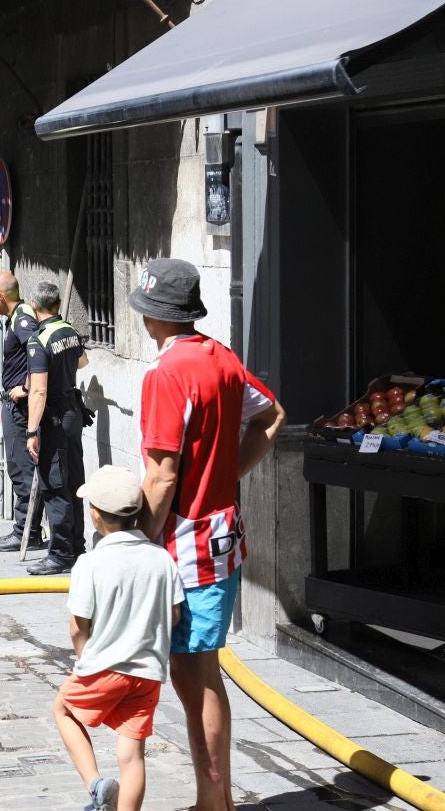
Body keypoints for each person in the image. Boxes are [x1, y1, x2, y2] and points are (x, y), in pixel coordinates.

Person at [130, 258, 286, 811]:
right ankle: (212, 798)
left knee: (193, 675)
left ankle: (212, 802)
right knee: (202, 671)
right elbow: (272, 417)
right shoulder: (220, 356)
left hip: (185, 544)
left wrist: (137, 541)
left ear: (153, 316)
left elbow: (163, 472)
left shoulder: (166, 374)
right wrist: (228, 473)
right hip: (221, 535)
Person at [54, 465, 184, 811]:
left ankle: (96, 785)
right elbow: (173, 615)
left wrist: (83, 659)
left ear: (95, 515)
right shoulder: (162, 559)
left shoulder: (91, 563)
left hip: (104, 666)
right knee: (132, 753)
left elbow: (77, 625)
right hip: (147, 672)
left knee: (64, 711)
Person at [24, 281, 89, 576]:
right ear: (59, 305)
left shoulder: (39, 339)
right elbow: (83, 361)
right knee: (74, 481)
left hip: (53, 419)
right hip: (73, 413)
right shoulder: (69, 331)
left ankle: (61, 554)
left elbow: (38, 392)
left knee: (54, 486)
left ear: (35, 307)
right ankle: (76, 547)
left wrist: (31, 431)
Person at [0, 271, 43, 553]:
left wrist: (27, 387)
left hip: (20, 409)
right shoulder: (18, 317)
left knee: (21, 469)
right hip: (15, 406)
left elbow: (39, 354)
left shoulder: (22, 320)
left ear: (0, 296)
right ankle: (27, 529)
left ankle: (26, 532)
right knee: (19, 467)